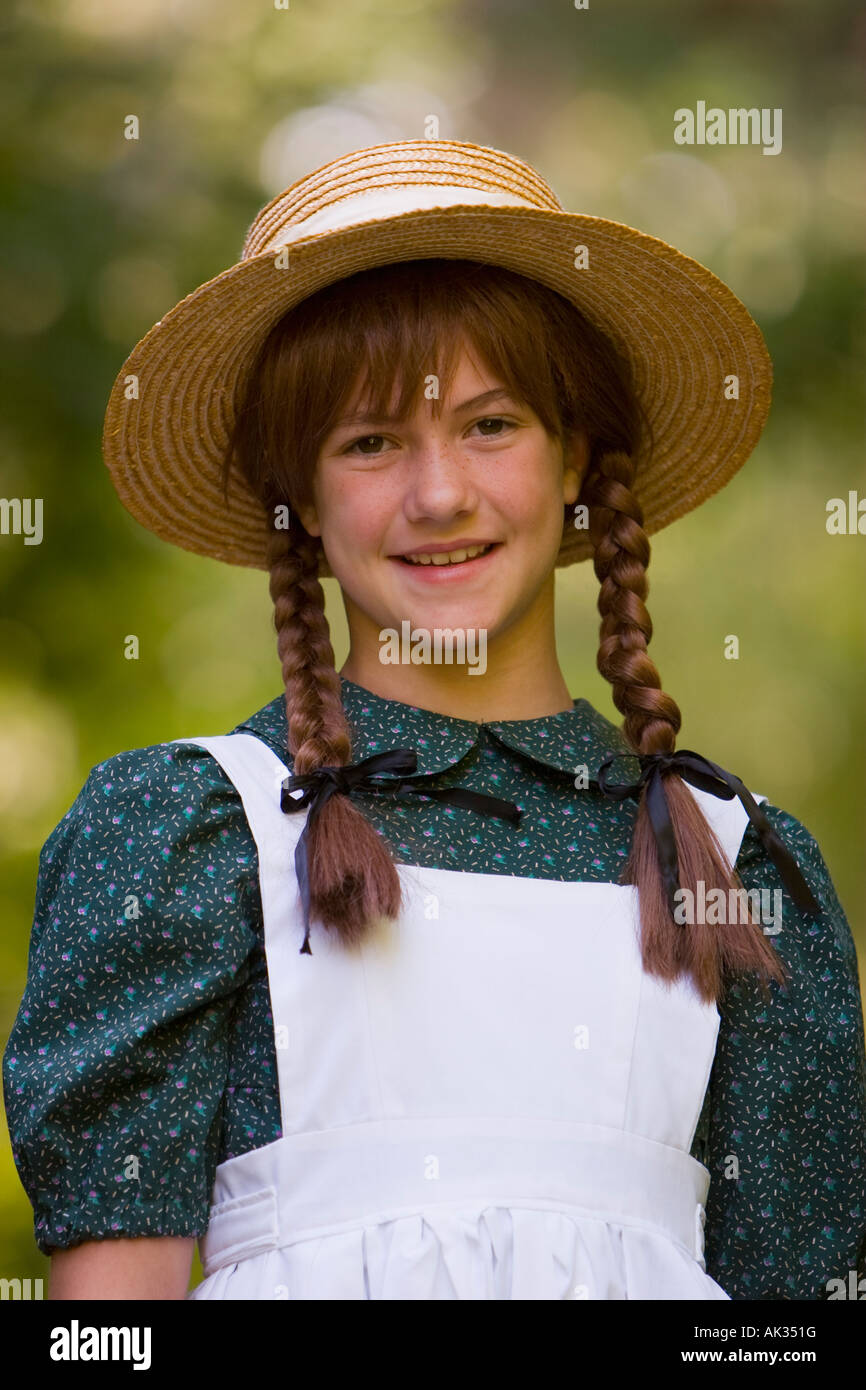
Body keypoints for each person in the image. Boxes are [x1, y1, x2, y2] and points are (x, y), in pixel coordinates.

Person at [4, 139, 865, 1301]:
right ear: (301, 500)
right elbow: (111, 1320)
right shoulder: (192, 830)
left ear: (574, 458)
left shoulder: (735, 861)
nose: (439, 494)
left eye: (490, 424)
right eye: (368, 442)